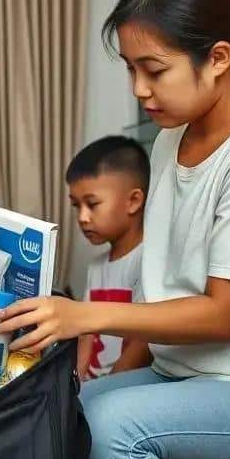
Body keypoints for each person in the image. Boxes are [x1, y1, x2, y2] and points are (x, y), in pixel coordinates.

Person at [0, 0, 230, 459]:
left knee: (113, 426)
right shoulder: (170, 139)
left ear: (219, 58)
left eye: (154, 70)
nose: (139, 89)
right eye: (131, 69)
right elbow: (167, 288)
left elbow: (224, 316)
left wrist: (83, 314)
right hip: (182, 376)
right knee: (59, 411)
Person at [68, 136, 152, 381]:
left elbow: (143, 342)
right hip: (94, 387)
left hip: (122, 387)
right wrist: (77, 388)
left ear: (133, 201)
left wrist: (107, 388)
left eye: (92, 204)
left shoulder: (148, 260)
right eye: (76, 206)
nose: (83, 217)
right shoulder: (96, 267)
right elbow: (86, 334)